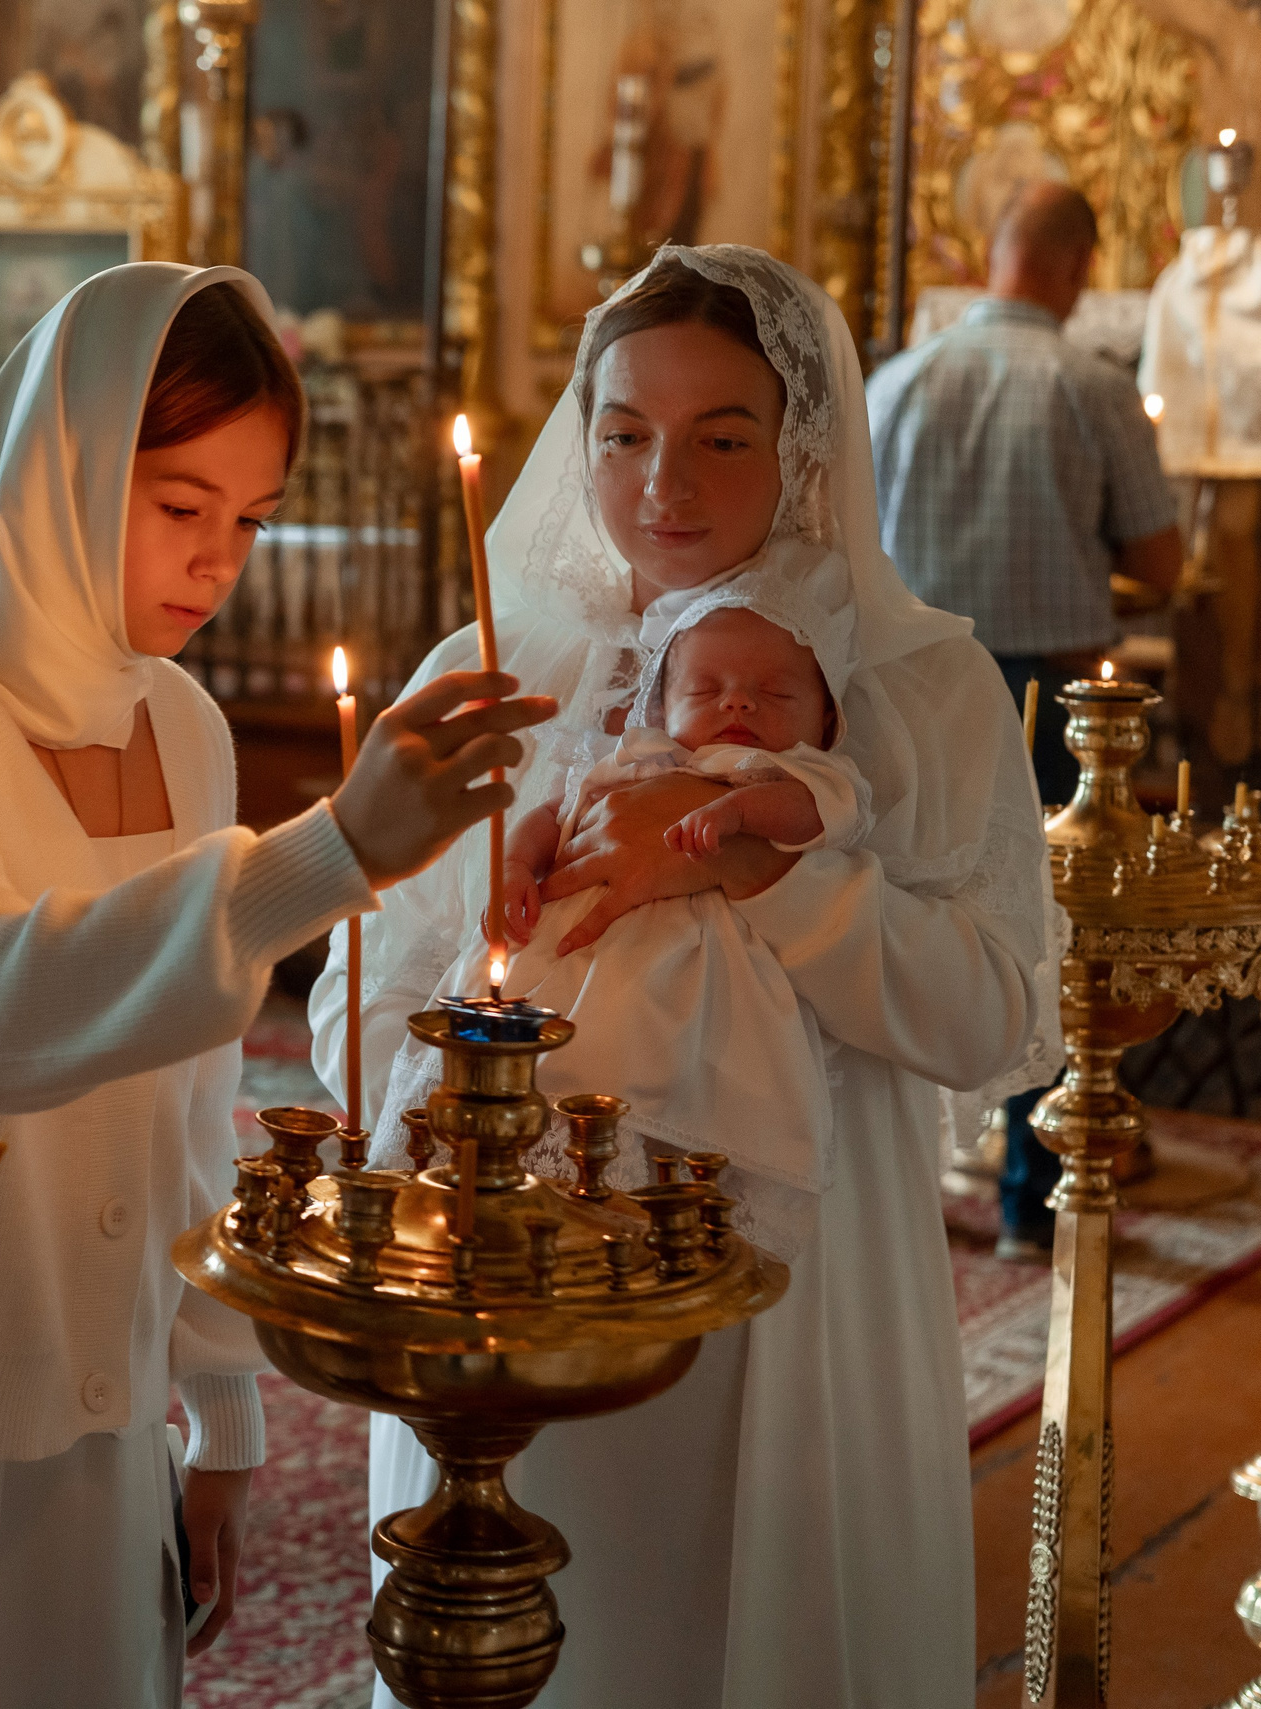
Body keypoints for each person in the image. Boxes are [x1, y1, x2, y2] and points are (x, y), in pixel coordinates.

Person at [0, 264, 554, 1709]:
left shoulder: (182, 722)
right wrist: (330, 852)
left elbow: (184, 1103)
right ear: (63, 467)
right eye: (179, 505)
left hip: (103, 1399)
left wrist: (219, 1409)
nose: (218, 560)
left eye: (252, 518)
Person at [322, 247, 1057, 1706]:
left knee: (729, 1627)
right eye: (622, 432)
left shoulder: (910, 690)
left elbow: (998, 1013)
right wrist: (498, 891)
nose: (664, 481)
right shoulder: (486, 665)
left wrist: (753, 867)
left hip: (786, 1275)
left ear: (800, 447)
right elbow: (355, 988)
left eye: (723, 434)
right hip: (500, 1254)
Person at [866, 180, 1181, 1259]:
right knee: (1037, 937)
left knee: (897, 924)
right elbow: (1161, 559)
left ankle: (895, 1197)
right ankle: (1029, 1200)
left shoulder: (893, 383)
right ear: (1076, 270)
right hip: (1043, 700)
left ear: (995, 255)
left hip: (897, 695)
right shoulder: (1090, 387)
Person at [419, 591, 873, 1236]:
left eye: (774, 693)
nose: (738, 703)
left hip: (682, 977)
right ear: (661, 706)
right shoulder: (636, 758)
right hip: (562, 957)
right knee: (518, 1074)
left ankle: (627, 1192)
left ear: (826, 721)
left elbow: (814, 814)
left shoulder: (788, 770)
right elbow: (553, 814)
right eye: (706, 688)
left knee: (642, 1085)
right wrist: (517, 868)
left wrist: (738, 814)